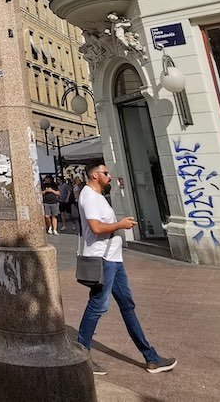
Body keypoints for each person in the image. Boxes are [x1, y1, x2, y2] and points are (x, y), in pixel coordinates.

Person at [77, 160, 176, 376]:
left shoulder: (98, 196)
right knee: (97, 306)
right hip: (102, 261)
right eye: (105, 173)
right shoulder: (90, 196)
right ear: (95, 175)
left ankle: (151, 357)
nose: (109, 176)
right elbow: (95, 228)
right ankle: (81, 354)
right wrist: (120, 225)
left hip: (113, 260)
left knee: (127, 305)